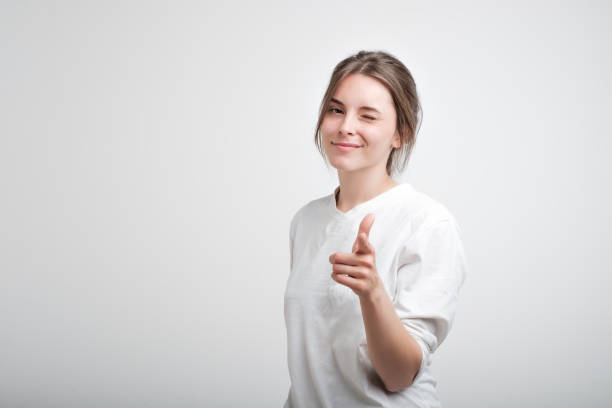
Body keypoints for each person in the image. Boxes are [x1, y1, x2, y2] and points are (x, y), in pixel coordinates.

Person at [283, 50, 468, 407]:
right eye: (336, 110)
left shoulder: (428, 223)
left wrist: (372, 294)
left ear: (400, 134)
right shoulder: (306, 220)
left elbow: (399, 376)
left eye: (367, 116)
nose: (345, 126)